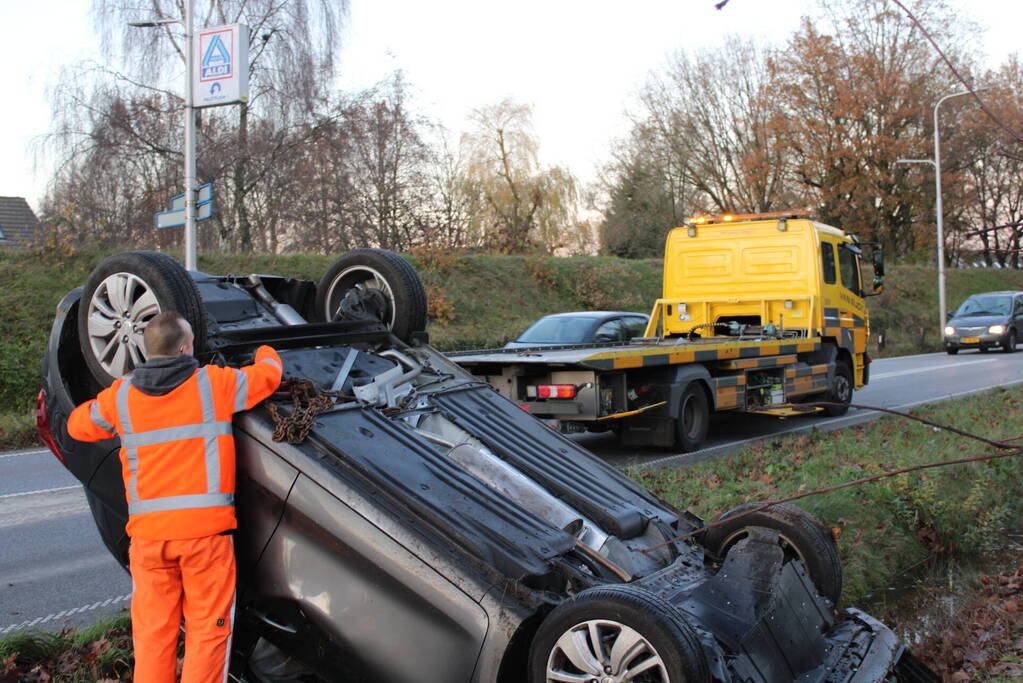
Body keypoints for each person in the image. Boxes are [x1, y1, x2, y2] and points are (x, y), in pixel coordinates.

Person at [67, 310, 283, 683]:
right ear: (185, 347)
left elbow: (77, 426)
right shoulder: (212, 385)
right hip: (204, 539)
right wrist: (266, 349)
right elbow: (268, 377)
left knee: (153, 635)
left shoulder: (122, 397)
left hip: (149, 541)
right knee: (207, 633)